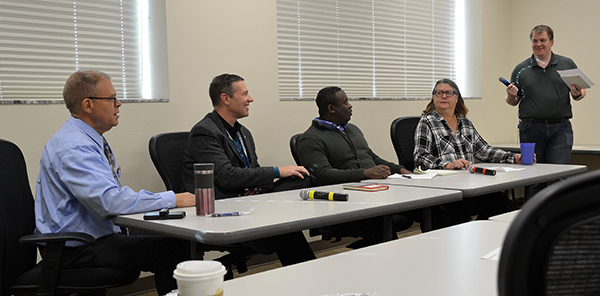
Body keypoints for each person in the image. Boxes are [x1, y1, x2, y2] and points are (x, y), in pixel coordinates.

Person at [34, 70, 196, 295]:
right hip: (73, 249)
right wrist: (172, 198)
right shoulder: (74, 147)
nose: (118, 104)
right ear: (88, 105)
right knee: (168, 250)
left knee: (177, 237)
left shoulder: (86, 139)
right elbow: (109, 202)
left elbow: (110, 197)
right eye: (111, 98)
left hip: (91, 238)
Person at [182, 73, 316, 265]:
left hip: (249, 202)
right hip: (221, 206)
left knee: (300, 180)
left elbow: (253, 171)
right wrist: (278, 171)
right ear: (225, 98)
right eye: (245, 94)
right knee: (284, 224)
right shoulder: (205, 132)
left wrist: (258, 187)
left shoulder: (243, 133)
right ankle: (307, 278)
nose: (250, 99)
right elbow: (226, 177)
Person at [296, 86, 415, 247]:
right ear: (331, 108)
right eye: (345, 102)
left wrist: (400, 169)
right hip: (348, 202)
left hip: (376, 193)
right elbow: (323, 175)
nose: (350, 106)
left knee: (428, 208)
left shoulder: (352, 130)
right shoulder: (310, 139)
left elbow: (372, 158)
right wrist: (365, 173)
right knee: (381, 219)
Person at [414, 78, 528, 226]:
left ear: (457, 98)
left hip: (468, 186)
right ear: (433, 98)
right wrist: (447, 164)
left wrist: (514, 158)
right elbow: (420, 156)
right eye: (439, 93)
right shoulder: (427, 122)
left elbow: (484, 150)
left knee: (500, 201)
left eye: (449, 93)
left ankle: (477, 231)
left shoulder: (465, 123)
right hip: (443, 188)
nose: (443, 96)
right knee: (462, 206)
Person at [505, 24, 584, 168]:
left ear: (551, 42)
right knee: (533, 177)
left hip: (560, 127)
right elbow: (513, 101)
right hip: (530, 128)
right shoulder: (520, 69)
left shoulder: (566, 63)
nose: (538, 44)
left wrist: (577, 93)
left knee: (558, 175)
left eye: (543, 40)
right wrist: (510, 95)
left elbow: (581, 91)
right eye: (535, 41)